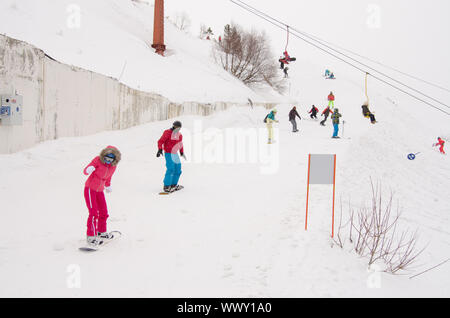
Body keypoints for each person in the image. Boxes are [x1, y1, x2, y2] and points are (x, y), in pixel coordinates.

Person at [83, 146, 122, 247]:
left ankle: (101, 232)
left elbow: (108, 177)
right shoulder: (97, 160)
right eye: (106, 158)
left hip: (100, 191)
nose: (108, 161)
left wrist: (108, 185)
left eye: (110, 159)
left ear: (115, 159)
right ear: (103, 156)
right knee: (93, 213)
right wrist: (89, 169)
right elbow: (85, 171)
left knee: (104, 212)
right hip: (90, 189)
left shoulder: (113, 166)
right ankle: (91, 236)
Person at [157, 121, 186, 193]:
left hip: (175, 153)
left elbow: (180, 144)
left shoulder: (179, 135)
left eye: (179, 128)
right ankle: (167, 186)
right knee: (171, 169)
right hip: (168, 153)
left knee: (178, 169)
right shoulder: (167, 132)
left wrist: (181, 152)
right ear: (173, 126)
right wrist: (160, 149)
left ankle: (173, 184)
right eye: (176, 127)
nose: (177, 129)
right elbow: (160, 141)